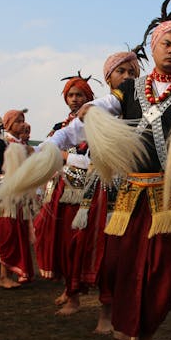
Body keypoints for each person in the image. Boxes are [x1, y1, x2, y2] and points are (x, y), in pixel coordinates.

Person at [76, 13, 171, 340]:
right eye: (167, 44)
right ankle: (121, 322)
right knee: (120, 264)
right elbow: (106, 105)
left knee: (160, 269)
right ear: (155, 47)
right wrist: (89, 109)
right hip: (129, 195)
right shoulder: (129, 88)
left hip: (169, 196)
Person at [63, 51, 141, 323]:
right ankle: (72, 295)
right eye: (122, 72)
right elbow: (79, 148)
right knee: (79, 243)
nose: (128, 77)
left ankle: (107, 310)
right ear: (108, 78)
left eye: (133, 73)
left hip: (125, 189)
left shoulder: (142, 110)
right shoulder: (96, 111)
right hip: (93, 187)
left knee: (114, 251)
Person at [33, 75, 95, 308]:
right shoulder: (60, 128)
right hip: (60, 191)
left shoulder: (95, 124)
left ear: (89, 97)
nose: (75, 99)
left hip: (84, 193)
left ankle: (75, 295)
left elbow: (94, 161)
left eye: (80, 94)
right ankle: (68, 290)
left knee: (76, 245)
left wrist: (66, 157)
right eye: (71, 95)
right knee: (61, 243)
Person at [0, 110, 35, 288]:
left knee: (16, 235)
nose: (22, 124)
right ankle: (2, 276)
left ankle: (2, 273)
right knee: (7, 234)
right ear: (8, 125)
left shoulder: (22, 145)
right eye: (18, 122)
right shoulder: (0, 144)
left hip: (19, 198)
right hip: (5, 198)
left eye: (23, 121)